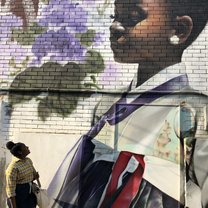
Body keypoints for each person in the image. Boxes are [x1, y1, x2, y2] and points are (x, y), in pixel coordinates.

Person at [48, 0, 208, 207]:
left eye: (133, 17)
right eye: (114, 16)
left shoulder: (196, 110)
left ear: (179, 30)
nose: (114, 26)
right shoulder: (106, 104)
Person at [5, 141, 39, 208]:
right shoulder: (13, 168)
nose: (27, 147)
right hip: (19, 197)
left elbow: (31, 176)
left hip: (30, 194)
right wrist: (14, 206)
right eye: (25, 147)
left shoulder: (28, 160)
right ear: (20, 152)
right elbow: (10, 191)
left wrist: (35, 177)